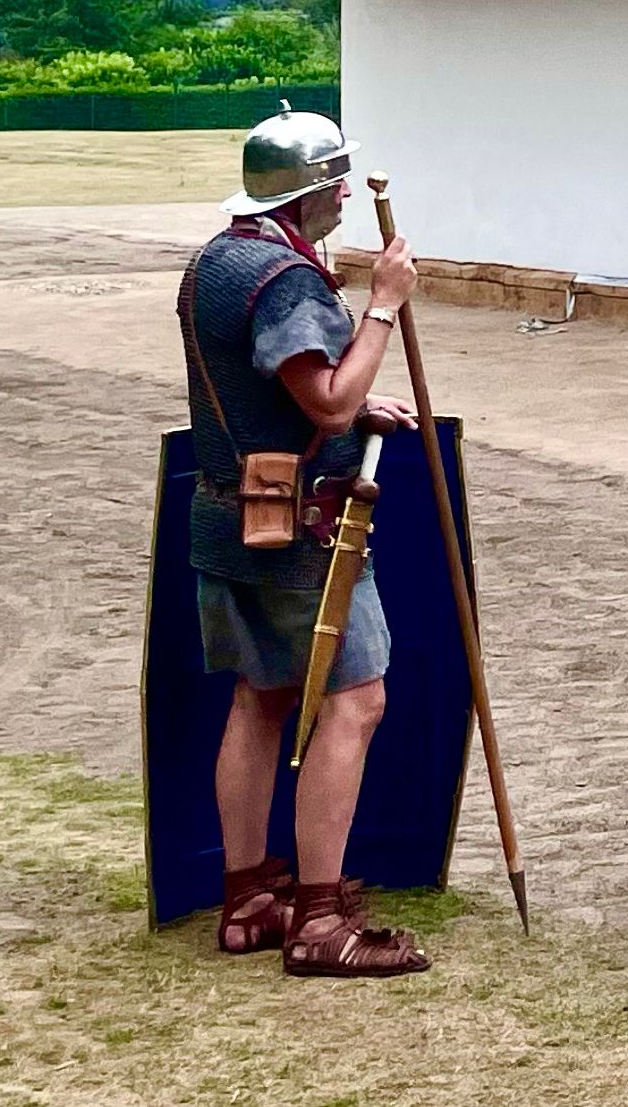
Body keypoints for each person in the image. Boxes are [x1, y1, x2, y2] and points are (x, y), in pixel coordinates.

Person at [176, 107, 432, 979]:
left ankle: (250, 899)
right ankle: (320, 921)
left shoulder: (215, 260)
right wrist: (383, 311)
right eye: (340, 180)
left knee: (261, 696)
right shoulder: (283, 278)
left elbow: (270, 391)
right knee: (354, 703)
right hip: (299, 531)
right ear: (314, 191)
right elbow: (320, 399)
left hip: (226, 514)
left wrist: (356, 406)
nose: (350, 194)